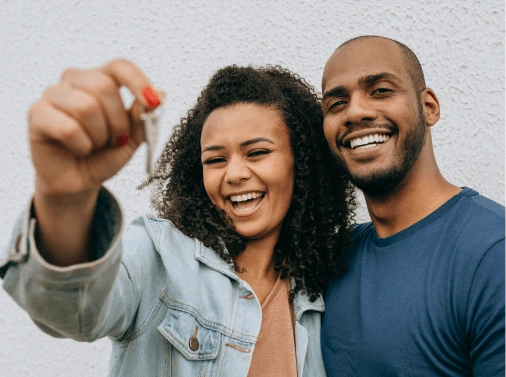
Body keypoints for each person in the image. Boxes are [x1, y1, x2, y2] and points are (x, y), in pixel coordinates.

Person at [0, 60, 355, 376]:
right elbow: (72, 310)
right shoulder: (159, 256)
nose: (233, 174)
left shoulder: (324, 284)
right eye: (215, 160)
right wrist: (64, 199)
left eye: (257, 152)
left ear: (303, 163)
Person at [320, 35, 506, 376]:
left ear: (429, 107)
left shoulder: (494, 252)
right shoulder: (331, 259)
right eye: (336, 104)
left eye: (380, 90)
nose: (355, 112)